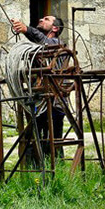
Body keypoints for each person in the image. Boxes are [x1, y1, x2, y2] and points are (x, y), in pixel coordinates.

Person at [10, 15, 66, 161]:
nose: (41, 19)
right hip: (40, 100)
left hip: (54, 103)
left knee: (53, 139)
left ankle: (55, 167)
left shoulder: (57, 43)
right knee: (33, 138)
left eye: (46, 19)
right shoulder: (38, 49)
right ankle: (32, 168)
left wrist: (26, 29)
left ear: (55, 28)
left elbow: (44, 41)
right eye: (41, 18)